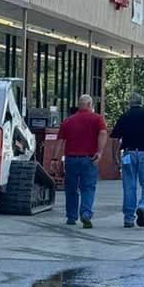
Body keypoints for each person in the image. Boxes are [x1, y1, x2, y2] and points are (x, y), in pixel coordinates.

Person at [111, 89, 144, 229]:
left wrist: (115, 154)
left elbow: (116, 138)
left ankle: (128, 219)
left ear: (129, 104)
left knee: (129, 186)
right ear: (142, 102)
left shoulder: (124, 116)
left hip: (128, 154)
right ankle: (143, 206)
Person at [57, 91, 106, 229]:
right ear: (90, 104)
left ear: (79, 105)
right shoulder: (97, 119)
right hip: (89, 159)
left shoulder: (68, 121)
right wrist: (100, 152)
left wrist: (55, 159)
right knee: (88, 188)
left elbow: (60, 142)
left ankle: (71, 217)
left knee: (71, 188)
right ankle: (85, 213)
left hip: (71, 159)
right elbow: (103, 133)